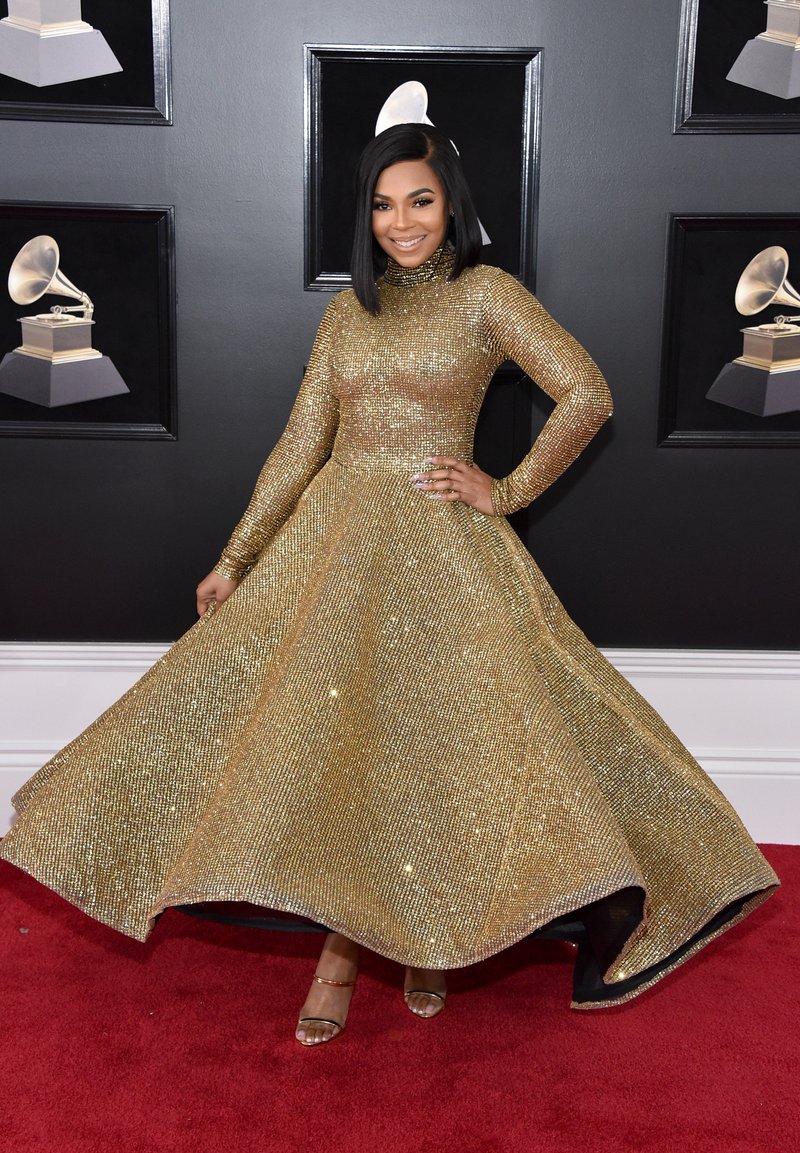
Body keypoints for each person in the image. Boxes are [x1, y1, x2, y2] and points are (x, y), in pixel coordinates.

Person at [0, 124, 778, 1048]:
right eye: (381, 203)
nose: (399, 221)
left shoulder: (486, 294)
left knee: (430, 744)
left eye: (419, 200)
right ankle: (340, 951)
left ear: (451, 204)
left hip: (443, 549)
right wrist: (239, 555)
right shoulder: (346, 314)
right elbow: (301, 443)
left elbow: (588, 393)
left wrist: (507, 489)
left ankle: (426, 943)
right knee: (343, 749)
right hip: (335, 550)